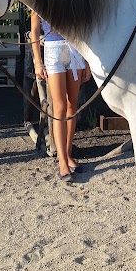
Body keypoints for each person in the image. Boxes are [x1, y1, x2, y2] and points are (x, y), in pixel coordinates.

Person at [30, 11, 91, 183]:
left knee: (72, 106)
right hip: (53, 50)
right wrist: (37, 61)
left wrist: (87, 61)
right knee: (60, 107)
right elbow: (34, 30)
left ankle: (69, 154)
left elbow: (84, 27)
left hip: (74, 49)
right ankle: (62, 161)